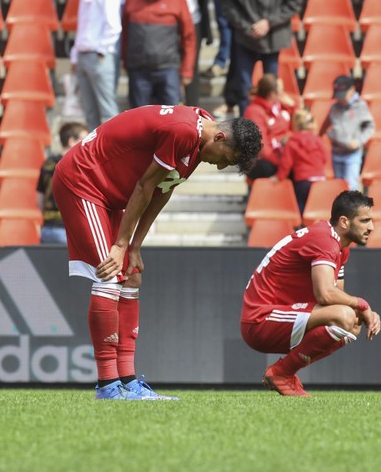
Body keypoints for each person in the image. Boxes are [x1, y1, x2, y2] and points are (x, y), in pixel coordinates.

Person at [52, 105, 263, 399]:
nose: (218, 167)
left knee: (132, 275)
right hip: (83, 181)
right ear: (220, 138)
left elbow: (162, 190)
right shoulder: (183, 131)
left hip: (111, 196)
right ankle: (108, 386)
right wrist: (121, 245)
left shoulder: (198, 140)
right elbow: (143, 186)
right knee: (110, 275)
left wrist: (135, 246)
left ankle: (127, 381)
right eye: (224, 161)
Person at [241, 189, 381, 397]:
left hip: (281, 315)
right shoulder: (324, 240)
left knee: (352, 322)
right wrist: (363, 304)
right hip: (260, 320)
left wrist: (361, 310)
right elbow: (325, 294)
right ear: (344, 222)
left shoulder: (340, 247)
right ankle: (282, 372)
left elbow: (336, 298)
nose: (371, 227)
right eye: (365, 220)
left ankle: (285, 372)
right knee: (345, 315)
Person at [221, 0, 302, 116]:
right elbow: (227, 1)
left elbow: (295, 2)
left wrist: (269, 22)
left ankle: (270, 125)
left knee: (271, 86)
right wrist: (244, 25)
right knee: (244, 87)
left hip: (273, 37)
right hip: (246, 36)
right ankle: (245, 126)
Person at [122, 0, 195, 108]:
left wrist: (187, 70)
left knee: (173, 117)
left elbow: (189, 37)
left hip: (167, 69)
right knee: (139, 118)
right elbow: (125, 32)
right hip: (139, 70)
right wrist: (125, 60)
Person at [70, 0, 121, 130]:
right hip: (85, 53)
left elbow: (113, 24)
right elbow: (83, 25)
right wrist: (75, 55)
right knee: (90, 111)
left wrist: (102, 49)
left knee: (107, 109)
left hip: (98, 54)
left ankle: (115, 152)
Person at [319, 75, 374, 191]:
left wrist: (358, 141)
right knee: (338, 187)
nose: (341, 99)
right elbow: (326, 125)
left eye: (343, 95)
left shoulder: (360, 106)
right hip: (336, 153)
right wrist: (325, 135)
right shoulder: (334, 108)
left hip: (352, 154)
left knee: (351, 188)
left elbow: (370, 128)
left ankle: (351, 209)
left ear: (352, 90)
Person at [37, 121, 88, 244]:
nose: (87, 144)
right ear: (72, 141)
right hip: (68, 228)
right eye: (84, 140)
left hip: (47, 227)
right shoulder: (77, 163)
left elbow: (39, 198)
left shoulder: (47, 163)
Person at [273, 108, 327, 214]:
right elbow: (324, 158)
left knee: (301, 208)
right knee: (317, 210)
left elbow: (286, 163)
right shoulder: (317, 140)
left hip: (303, 181)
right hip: (320, 179)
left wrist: (279, 177)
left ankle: (302, 229)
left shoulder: (292, 141)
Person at [244, 73, 296, 178]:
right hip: (263, 159)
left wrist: (293, 107)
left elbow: (298, 129)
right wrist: (282, 163)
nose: (284, 93)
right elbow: (263, 147)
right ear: (272, 94)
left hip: (282, 153)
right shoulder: (254, 111)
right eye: (281, 91)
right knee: (269, 168)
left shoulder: (282, 106)